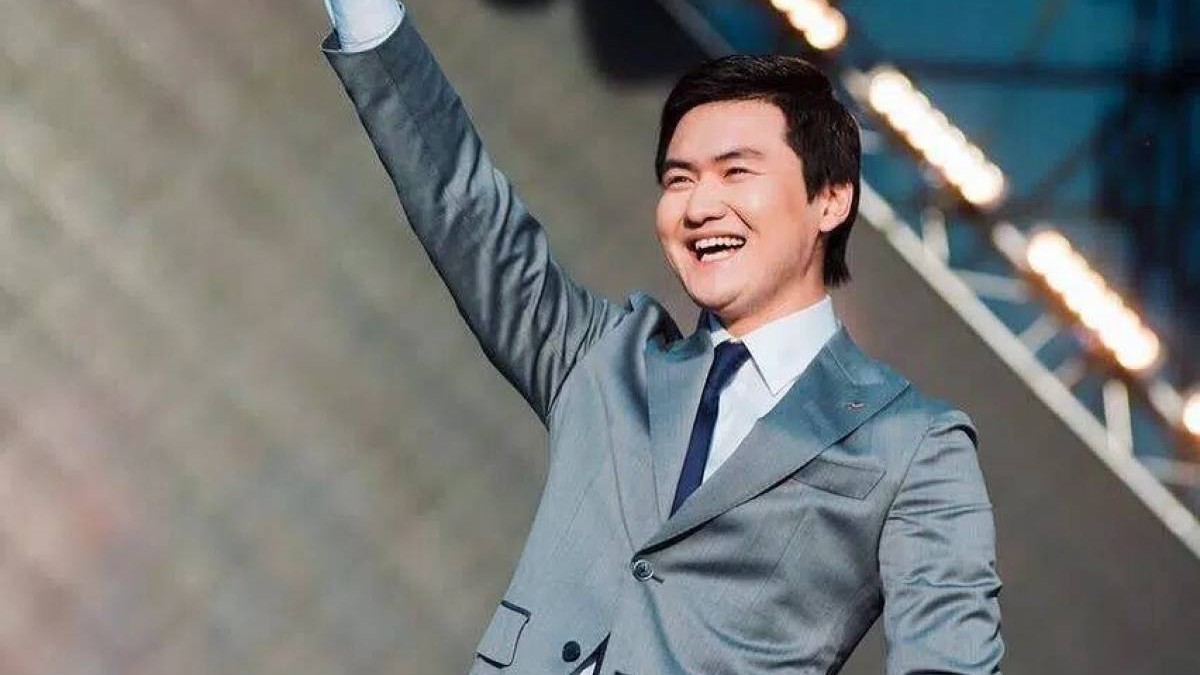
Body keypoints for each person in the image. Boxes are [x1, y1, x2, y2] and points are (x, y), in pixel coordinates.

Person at [318, 2, 1004, 673]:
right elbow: (463, 206)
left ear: (830, 198)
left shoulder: (914, 444)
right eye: (679, 179)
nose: (699, 206)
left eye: (737, 171)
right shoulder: (606, 359)